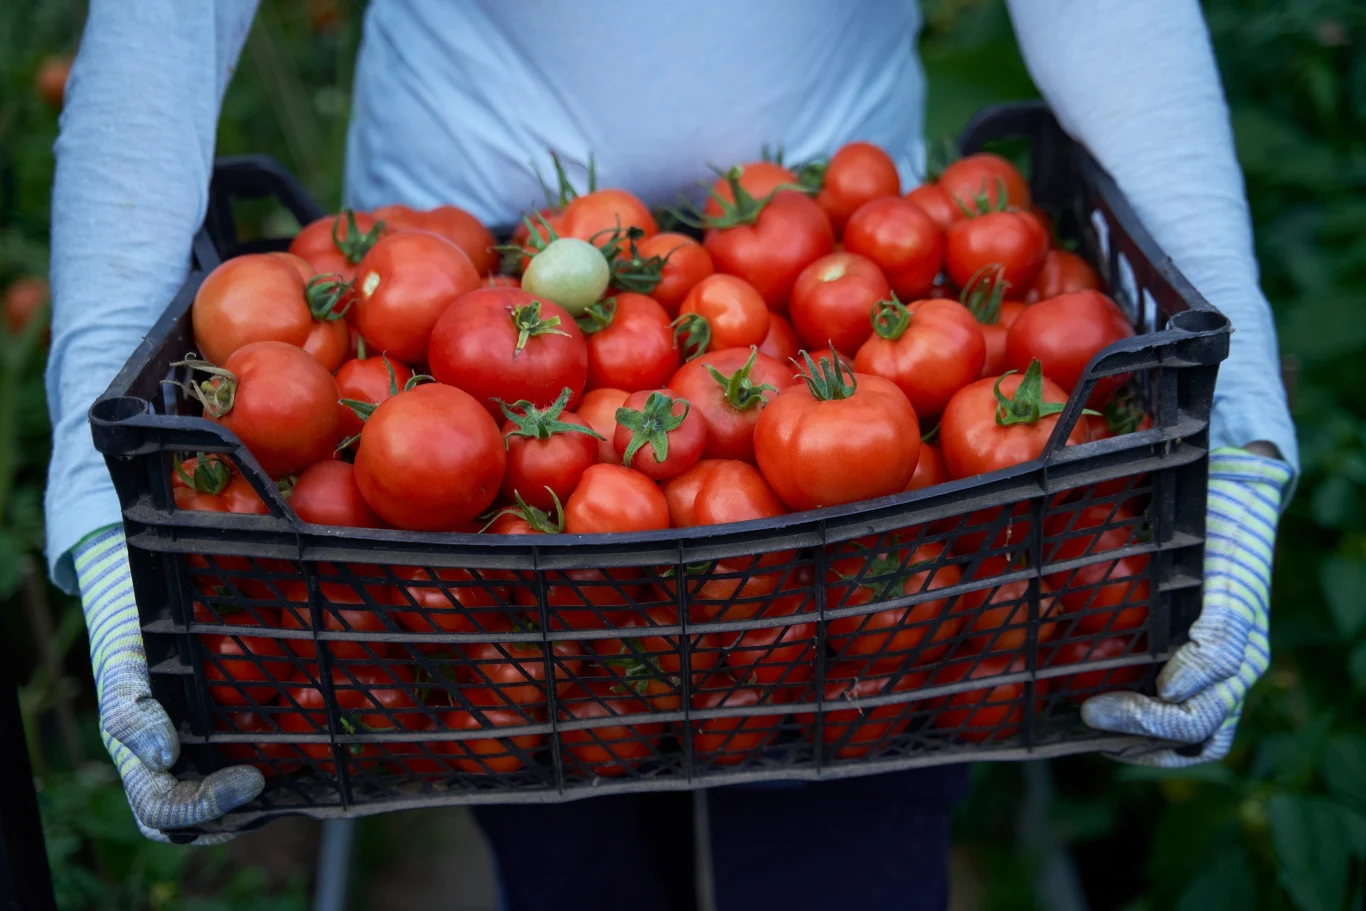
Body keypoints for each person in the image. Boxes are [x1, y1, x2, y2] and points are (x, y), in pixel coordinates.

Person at [46, 2, 1297, 909]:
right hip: (443, 313)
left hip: (843, 287)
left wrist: (1237, 430)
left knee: (850, 820)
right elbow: (159, 32)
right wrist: (98, 502)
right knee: (556, 825)